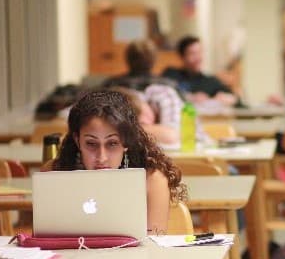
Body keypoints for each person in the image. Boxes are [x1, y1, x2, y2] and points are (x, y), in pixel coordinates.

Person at [50, 89, 186, 234]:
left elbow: (154, 242)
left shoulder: (151, 179)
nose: (102, 157)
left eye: (112, 143)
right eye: (91, 144)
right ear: (78, 141)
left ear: (127, 141)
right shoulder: (52, 175)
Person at [162, 35, 239, 106]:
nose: (198, 58)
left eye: (199, 52)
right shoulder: (171, 74)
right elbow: (162, 92)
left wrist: (230, 99)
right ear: (182, 56)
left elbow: (237, 100)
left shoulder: (210, 81)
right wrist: (190, 97)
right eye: (192, 53)